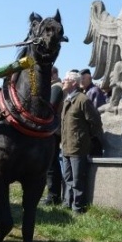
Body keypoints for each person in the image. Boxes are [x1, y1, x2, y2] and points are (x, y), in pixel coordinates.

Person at [60, 69, 104, 214]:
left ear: (73, 83)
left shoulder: (83, 100)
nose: (63, 81)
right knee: (67, 178)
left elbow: (95, 122)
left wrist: (85, 137)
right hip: (66, 146)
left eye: (66, 79)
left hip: (78, 147)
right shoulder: (67, 100)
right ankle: (68, 203)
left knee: (78, 179)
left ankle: (77, 207)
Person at [42, 66, 64, 205]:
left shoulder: (56, 87)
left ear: (54, 75)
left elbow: (50, 107)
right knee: (51, 163)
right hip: (52, 130)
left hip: (53, 131)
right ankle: (52, 195)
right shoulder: (53, 87)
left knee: (52, 164)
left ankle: (53, 196)